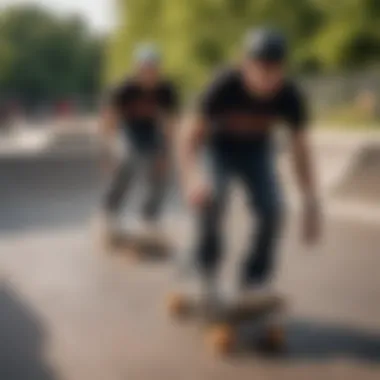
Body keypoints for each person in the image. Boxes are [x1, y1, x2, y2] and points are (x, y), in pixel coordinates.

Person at [178, 28, 321, 305]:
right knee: (211, 197)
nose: (267, 79)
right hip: (218, 150)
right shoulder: (222, 86)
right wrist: (192, 178)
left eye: (274, 70)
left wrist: (310, 201)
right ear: (244, 64)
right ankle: (204, 272)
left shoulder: (290, 95)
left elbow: (301, 149)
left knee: (273, 208)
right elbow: (188, 138)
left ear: (284, 68)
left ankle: (254, 281)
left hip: (257, 153)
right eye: (260, 69)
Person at [99, 44, 179, 239]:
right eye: (145, 70)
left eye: (153, 70)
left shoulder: (165, 90)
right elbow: (109, 121)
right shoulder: (124, 89)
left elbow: (170, 123)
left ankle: (150, 216)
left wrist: (166, 154)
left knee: (161, 171)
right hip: (127, 130)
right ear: (137, 69)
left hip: (151, 131)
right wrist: (108, 152)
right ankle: (110, 211)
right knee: (127, 160)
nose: (149, 75)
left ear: (158, 70)